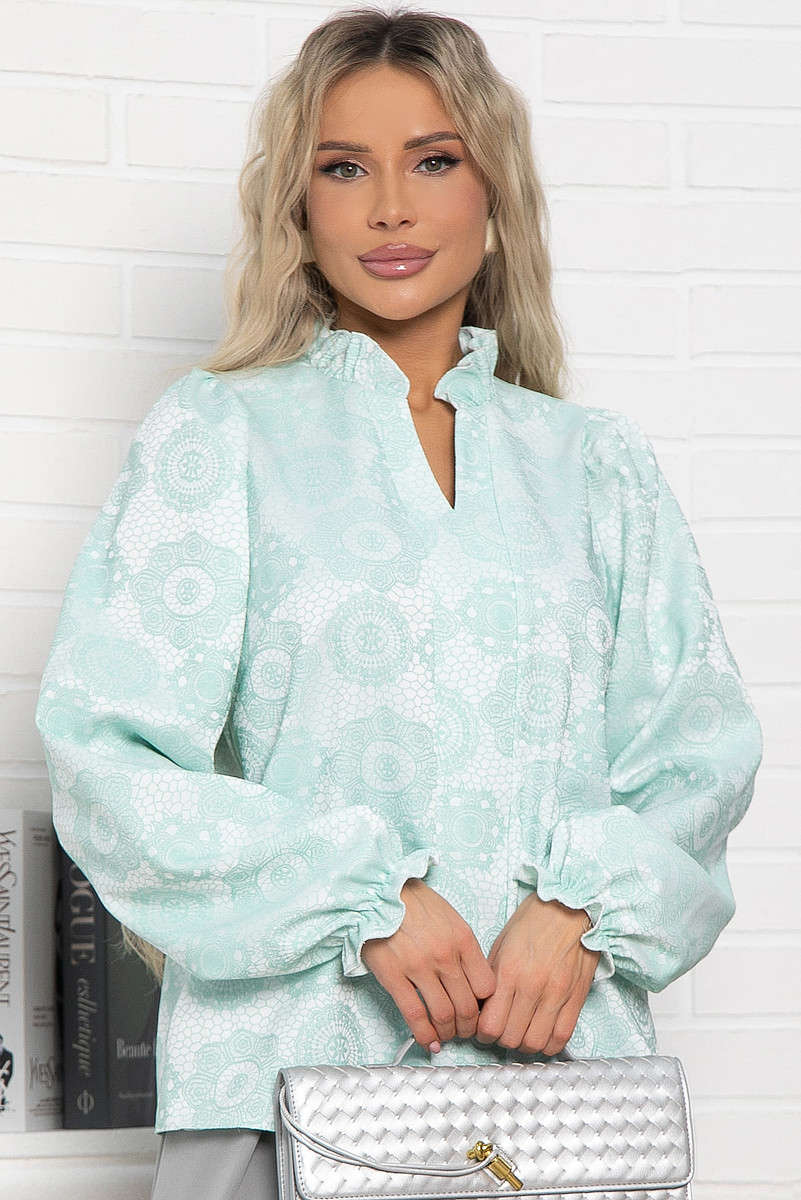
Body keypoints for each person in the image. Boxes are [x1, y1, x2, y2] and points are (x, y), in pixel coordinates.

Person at [35, 6, 762, 1199]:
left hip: (566, 1099)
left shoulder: (596, 465)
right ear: (297, 205)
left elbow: (700, 750)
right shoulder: (221, 434)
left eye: (432, 161)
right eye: (342, 168)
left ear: (494, 191)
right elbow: (107, 755)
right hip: (281, 1084)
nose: (388, 208)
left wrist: (582, 911)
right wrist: (363, 900)